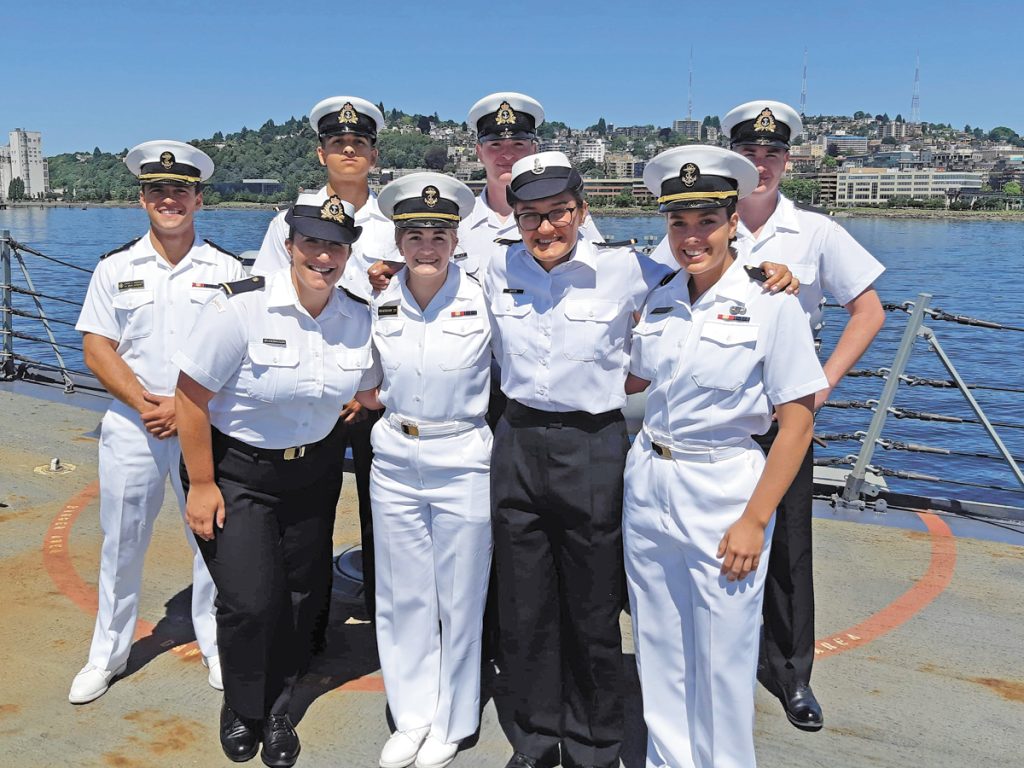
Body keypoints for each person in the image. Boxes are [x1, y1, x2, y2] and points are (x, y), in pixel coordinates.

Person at [624, 145, 827, 768]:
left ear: (733, 219)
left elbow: (797, 421)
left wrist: (755, 519)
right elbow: (636, 386)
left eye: (706, 221)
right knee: (660, 645)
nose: (692, 238)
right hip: (649, 480)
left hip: (724, 489)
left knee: (724, 654)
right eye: (679, 223)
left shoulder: (773, 302)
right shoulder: (658, 299)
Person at [174, 194, 380, 766]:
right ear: (289, 247)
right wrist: (201, 483)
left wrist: (365, 407)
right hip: (238, 472)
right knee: (249, 600)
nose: (323, 256)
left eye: (336, 245)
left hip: (312, 473)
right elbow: (190, 399)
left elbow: (369, 387)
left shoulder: (357, 316)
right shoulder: (240, 308)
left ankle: (281, 707)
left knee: (299, 595)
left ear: (349, 254)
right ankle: (244, 706)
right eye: (311, 243)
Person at [484, 151, 670, 768]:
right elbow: (420, 273)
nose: (545, 228)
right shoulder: (494, 265)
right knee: (525, 603)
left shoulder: (626, 269)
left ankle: (594, 742)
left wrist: (767, 272)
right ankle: (537, 737)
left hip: (592, 445)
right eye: (530, 216)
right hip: (515, 441)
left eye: (558, 213)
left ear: (581, 211)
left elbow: (704, 280)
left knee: (592, 604)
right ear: (514, 220)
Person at [721, 100, 886, 730]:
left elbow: (867, 310)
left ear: (788, 160)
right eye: (749, 153)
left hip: (782, 417)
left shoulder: (814, 232)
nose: (760, 164)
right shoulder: (707, 219)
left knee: (787, 544)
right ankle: (728, 657)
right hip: (718, 414)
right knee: (720, 534)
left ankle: (791, 674)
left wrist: (822, 386)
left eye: (772, 154)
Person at [71, 140, 244, 705]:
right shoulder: (114, 267)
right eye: (157, 190)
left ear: (199, 198)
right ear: (142, 198)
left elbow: (241, 352)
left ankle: (216, 642)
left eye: (180, 190)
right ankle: (108, 653)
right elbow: (97, 347)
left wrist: (182, 405)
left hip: (203, 425)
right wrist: (148, 403)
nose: (169, 199)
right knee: (121, 540)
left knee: (210, 540)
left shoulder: (228, 270)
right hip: (132, 424)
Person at [361, 173, 491, 768]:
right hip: (393, 457)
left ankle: (452, 720)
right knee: (401, 592)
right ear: (397, 239)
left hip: (463, 458)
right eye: (414, 234)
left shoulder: (488, 294)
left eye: (439, 233)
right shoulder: (380, 300)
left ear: (457, 236)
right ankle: (410, 714)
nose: (427, 246)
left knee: (460, 598)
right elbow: (365, 381)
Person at [253, 95, 394, 624]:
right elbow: (269, 304)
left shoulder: (398, 221)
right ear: (321, 154)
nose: (349, 150)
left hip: (377, 394)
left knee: (384, 513)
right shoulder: (286, 222)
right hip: (316, 395)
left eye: (358, 144)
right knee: (308, 518)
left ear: (374, 156)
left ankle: (386, 619)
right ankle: (307, 630)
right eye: (339, 143)